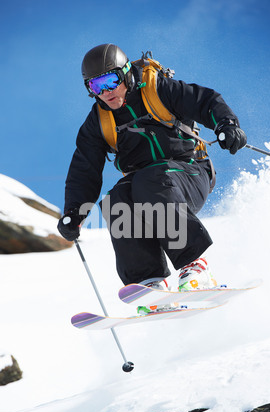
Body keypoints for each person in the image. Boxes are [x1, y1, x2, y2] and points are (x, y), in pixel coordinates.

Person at [58, 43, 246, 303]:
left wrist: (226, 124)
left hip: (190, 172)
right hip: (150, 186)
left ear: (125, 73)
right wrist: (73, 212)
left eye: (110, 81)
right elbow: (84, 167)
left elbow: (204, 100)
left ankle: (195, 266)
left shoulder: (157, 89)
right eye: (96, 87)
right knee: (117, 200)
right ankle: (149, 282)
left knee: (151, 179)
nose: (106, 92)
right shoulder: (99, 121)